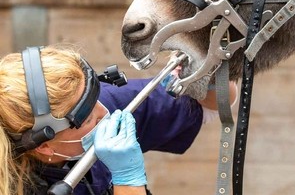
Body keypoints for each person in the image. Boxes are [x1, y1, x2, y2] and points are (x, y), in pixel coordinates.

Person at [0, 45, 237, 195]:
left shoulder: (101, 105)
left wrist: (203, 70)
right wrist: (128, 179)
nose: (107, 113)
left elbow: (214, 101)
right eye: (90, 118)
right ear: (44, 145)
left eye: (97, 97)